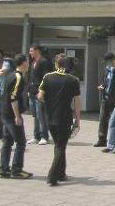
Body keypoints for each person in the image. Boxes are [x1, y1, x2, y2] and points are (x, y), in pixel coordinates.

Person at [38, 54, 81, 186]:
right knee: (60, 146)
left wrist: (50, 103)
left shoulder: (47, 77)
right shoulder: (73, 80)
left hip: (50, 116)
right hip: (65, 117)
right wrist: (78, 120)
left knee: (59, 145)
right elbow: (77, 102)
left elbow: (40, 96)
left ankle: (61, 173)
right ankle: (52, 175)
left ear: (56, 64)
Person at [0, 54, 33, 179]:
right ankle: (16, 170)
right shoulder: (18, 77)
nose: (29, 64)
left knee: (7, 141)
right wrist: (17, 116)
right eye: (28, 62)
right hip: (11, 114)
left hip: (5, 112)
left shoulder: (12, 75)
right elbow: (13, 98)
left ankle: (4, 169)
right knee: (21, 142)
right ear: (23, 63)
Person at [28, 44, 53, 145]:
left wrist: (42, 91)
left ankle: (44, 136)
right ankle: (36, 136)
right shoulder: (34, 62)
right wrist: (29, 90)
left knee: (41, 115)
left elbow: (46, 77)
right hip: (32, 91)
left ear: (37, 51)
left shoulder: (44, 62)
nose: (30, 53)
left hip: (40, 92)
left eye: (31, 51)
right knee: (35, 115)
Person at [94, 52, 115, 147]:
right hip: (105, 98)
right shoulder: (107, 70)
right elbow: (106, 82)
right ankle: (102, 139)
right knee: (103, 119)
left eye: (108, 61)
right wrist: (103, 86)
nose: (106, 64)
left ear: (113, 60)